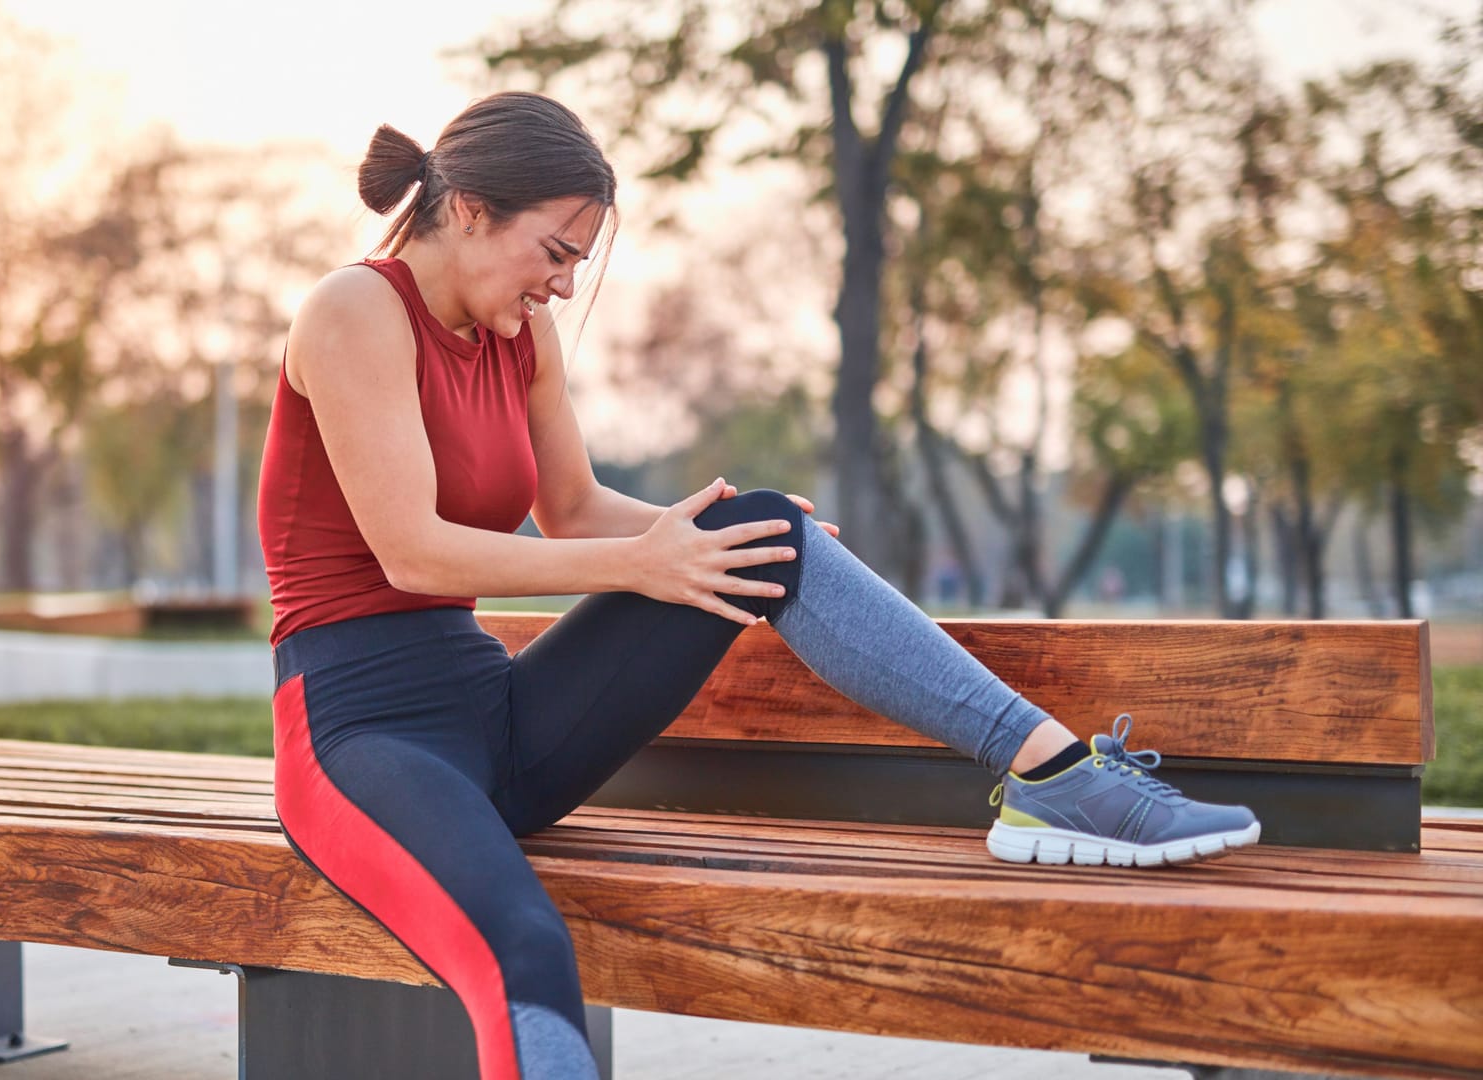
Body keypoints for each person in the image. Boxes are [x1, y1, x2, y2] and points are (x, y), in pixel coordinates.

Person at [257, 91, 1259, 1080]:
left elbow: (570, 510)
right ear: (469, 208)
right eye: (555, 254)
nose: (562, 288)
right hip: (361, 741)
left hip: (500, 720)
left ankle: (1054, 778)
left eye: (577, 263)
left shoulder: (521, 342)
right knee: (526, 951)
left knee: (764, 526)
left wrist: (717, 537)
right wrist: (647, 559)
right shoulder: (353, 311)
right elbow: (414, 555)